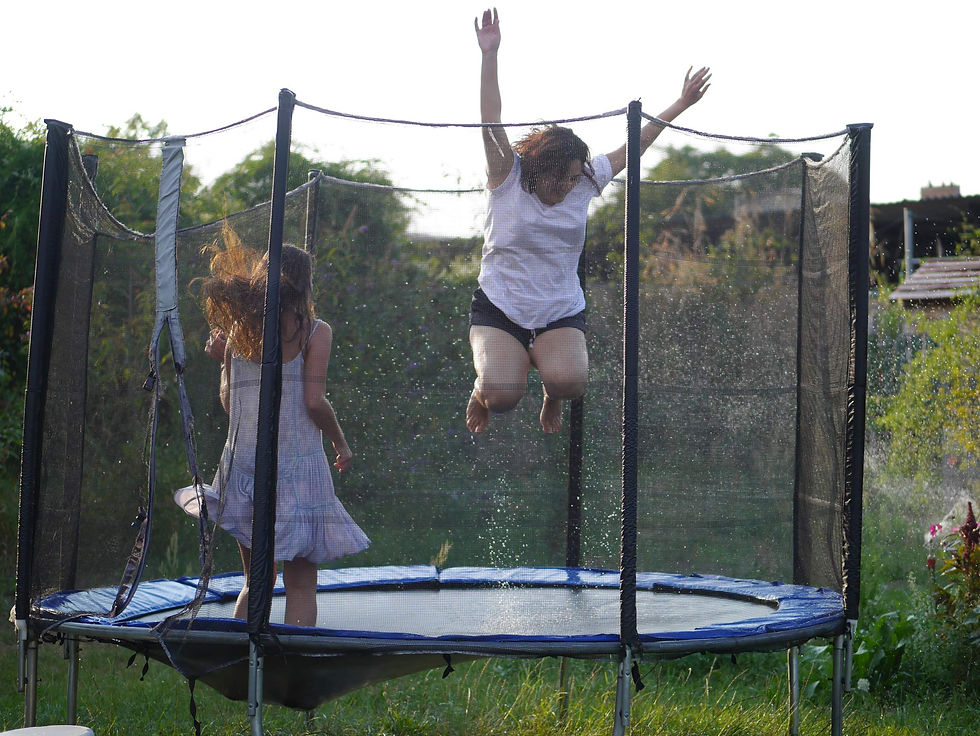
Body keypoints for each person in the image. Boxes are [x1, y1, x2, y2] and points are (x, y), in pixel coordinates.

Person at [467, 8, 711, 434]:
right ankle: (481, 390)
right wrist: (490, 54)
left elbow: (633, 146)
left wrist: (681, 104)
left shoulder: (581, 180)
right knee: (503, 396)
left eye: (575, 178)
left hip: (559, 309)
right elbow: (492, 122)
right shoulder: (507, 174)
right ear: (540, 169)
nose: (569, 188)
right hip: (501, 306)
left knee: (569, 381)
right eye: (562, 179)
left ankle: (551, 393)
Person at [193, 230, 369, 627]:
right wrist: (341, 444)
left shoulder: (240, 331)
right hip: (297, 470)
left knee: (256, 580)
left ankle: (243, 664)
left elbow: (230, 405)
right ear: (305, 286)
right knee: (302, 584)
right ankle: (293, 670)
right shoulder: (314, 332)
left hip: (243, 469)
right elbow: (313, 401)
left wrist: (226, 362)